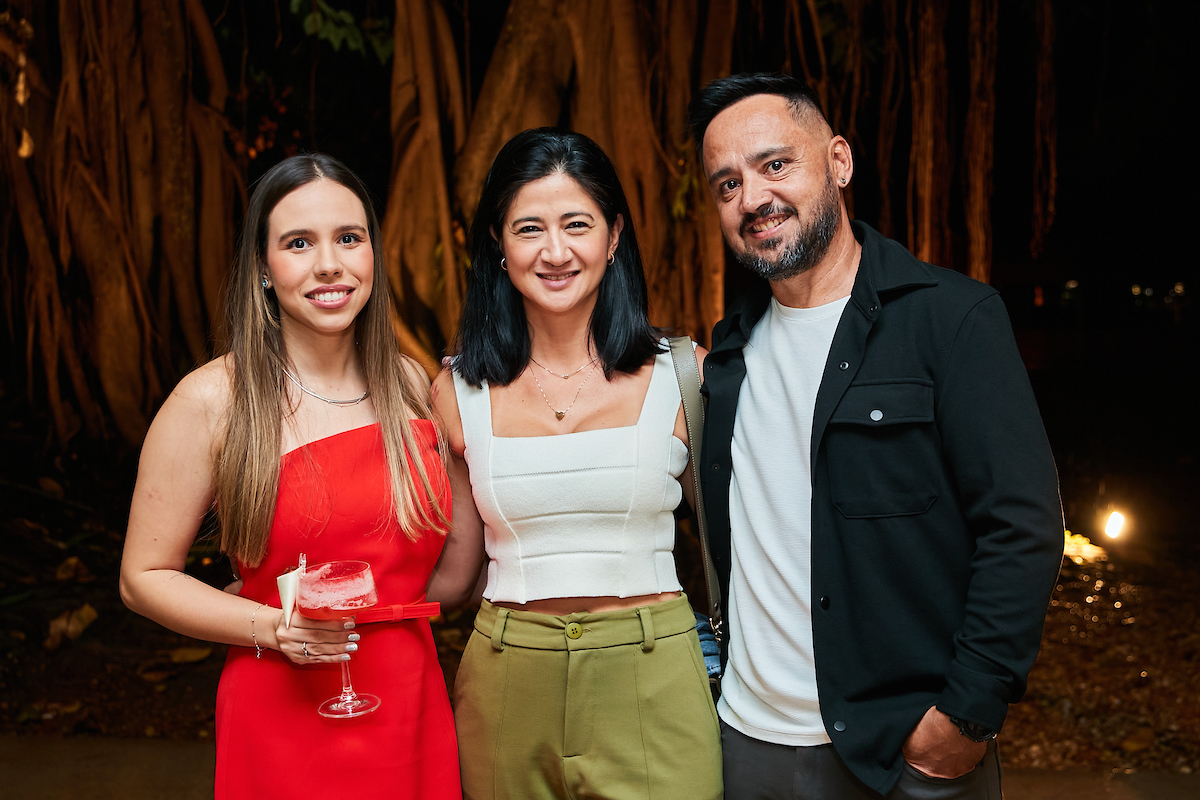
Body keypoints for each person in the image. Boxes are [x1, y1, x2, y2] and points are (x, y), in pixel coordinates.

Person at [687, 73, 1064, 799]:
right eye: (727, 184)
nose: (753, 198)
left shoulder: (950, 320)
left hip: (905, 753)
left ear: (838, 162)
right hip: (748, 741)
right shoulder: (728, 353)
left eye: (775, 165)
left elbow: (1023, 526)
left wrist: (966, 714)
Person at [119, 153, 461, 799]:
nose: (328, 263)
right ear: (263, 269)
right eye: (298, 243)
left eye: (348, 239)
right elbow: (143, 578)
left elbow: (448, 567)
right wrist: (273, 629)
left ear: (371, 256)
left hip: (409, 699)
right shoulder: (212, 400)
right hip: (280, 704)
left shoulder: (413, 387)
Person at [430, 128, 723, 800]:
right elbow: (454, 571)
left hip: (654, 676)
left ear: (613, 236)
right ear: (499, 246)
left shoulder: (684, 376)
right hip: (507, 678)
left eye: (577, 225)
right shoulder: (455, 395)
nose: (555, 251)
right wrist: (327, 604)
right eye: (529, 227)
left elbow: (739, 546)